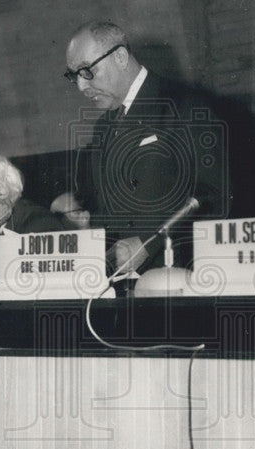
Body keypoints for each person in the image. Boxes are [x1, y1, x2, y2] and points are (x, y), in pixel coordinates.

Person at [64, 20, 229, 274]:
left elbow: (214, 195)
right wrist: (84, 224)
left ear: (120, 56)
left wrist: (149, 244)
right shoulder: (102, 128)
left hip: (180, 283)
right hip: (120, 289)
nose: (81, 86)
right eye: (73, 75)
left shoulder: (186, 105)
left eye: (86, 71)